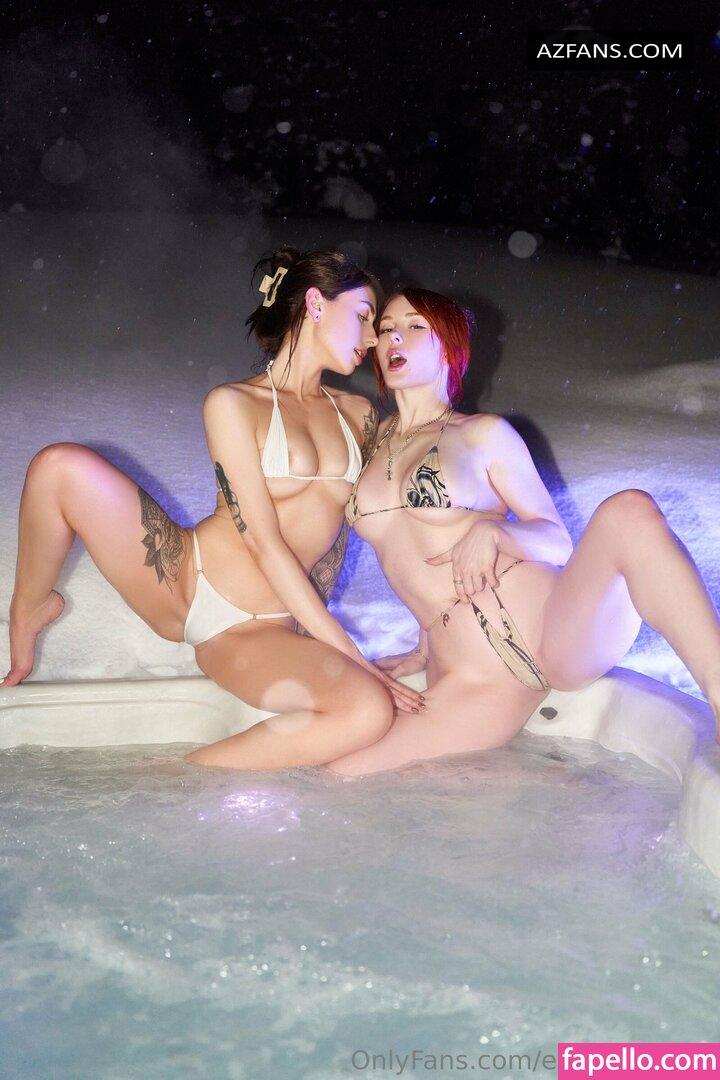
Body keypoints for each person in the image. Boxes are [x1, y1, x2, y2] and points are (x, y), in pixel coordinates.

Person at [2, 248, 423, 768]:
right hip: (194, 586)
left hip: (266, 628)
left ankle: (176, 778)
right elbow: (263, 543)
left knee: (365, 711)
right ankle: (28, 610)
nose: (372, 339)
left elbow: (407, 505)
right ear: (316, 304)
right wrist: (351, 655)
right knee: (58, 466)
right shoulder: (233, 404)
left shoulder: (358, 414)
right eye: (363, 316)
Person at [325, 287, 720, 776]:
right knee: (338, 776)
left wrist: (498, 536)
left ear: (448, 347)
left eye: (414, 326)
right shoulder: (375, 442)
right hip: (473, 674)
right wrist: (422, 646)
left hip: (553, 630)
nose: (394, 338)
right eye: (386, 329)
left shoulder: (482, 434)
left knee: (630, 512)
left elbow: (555, 539)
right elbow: (408, 548)